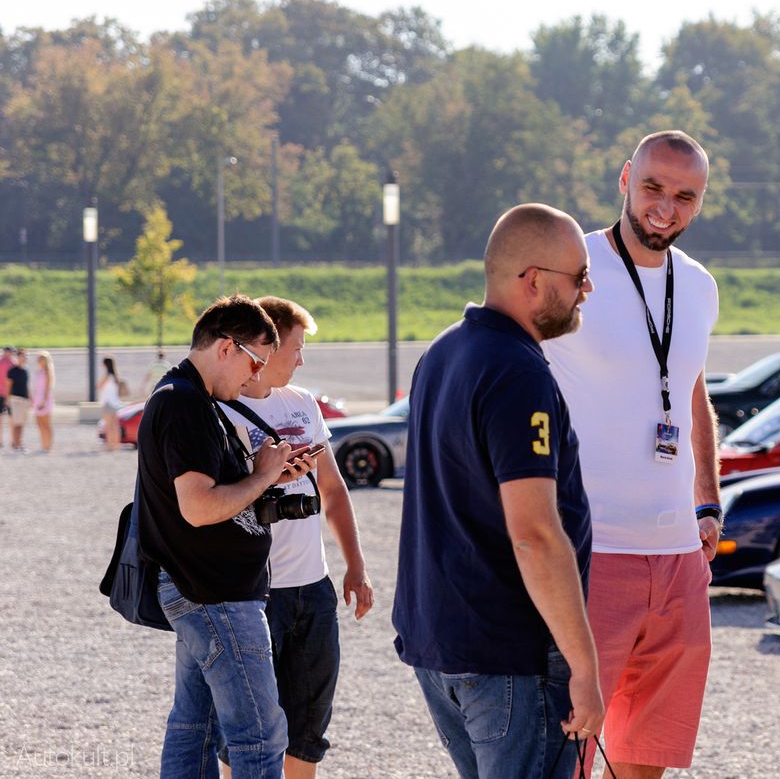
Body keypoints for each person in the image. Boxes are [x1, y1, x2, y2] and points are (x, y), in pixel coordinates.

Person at [393, 204, 602, 779]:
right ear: (533, 280)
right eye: (579, 276)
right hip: (508, 653)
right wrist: (584, 667)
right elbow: (535, 532)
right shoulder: (517, 370)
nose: (588, 290)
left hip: (442, 641)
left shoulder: (443, 351)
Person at [543, 131, 721, 778]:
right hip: (592, 553)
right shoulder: (570, 267)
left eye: (684, 196)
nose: (665, 208)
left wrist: (709, 501)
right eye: (652, 187)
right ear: (625, 179)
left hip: (679, 561)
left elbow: (694, 391)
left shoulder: (700, 286)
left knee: (646, 762)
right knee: (565, 757)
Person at [136, 295, 318, 779]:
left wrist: (268, 477)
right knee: (259, 734)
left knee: (194, 728)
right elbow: (198, 507)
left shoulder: (187, 397)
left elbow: (215, 495)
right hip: (213, 592)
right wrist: (260, 478)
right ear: (225, 347)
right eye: (255, 361)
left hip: (199, 587)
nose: (255, 376)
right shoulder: (186, 403)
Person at [217, 296, 374, 779]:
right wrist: (269, 479)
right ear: (267, 345)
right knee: (243, 732)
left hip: (314, 588)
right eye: (297, 347)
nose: (302, 359)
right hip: (253, 595)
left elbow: (332, 488)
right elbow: (211, 502)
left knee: (309, 729)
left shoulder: (303, 404)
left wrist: (356, 566)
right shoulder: (221, 408)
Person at [6, 347, 30, 452]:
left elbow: (26, 386)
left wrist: (30, 398)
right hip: (15, 400)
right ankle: (16, 445)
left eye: (26, 356)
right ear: (18, 357)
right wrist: (7, 400)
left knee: (22, 423)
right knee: (17, 424)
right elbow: (8, 386)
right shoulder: (12, 371)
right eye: (23, 356)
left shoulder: (26, 371)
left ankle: (19, 443)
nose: (25, 358)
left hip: (24, 400)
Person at [31, 350, 55, 453]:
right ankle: (43, 444)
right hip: (37, 399)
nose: (38, 360)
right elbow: (36, 388)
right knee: (39, 423)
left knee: (46, 423)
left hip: (45, 399)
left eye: (41, 358)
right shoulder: (38, 372)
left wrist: (44, 401)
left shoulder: (47, 372)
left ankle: (48, 445)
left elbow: (47, 388)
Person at [99, 356, 123, 451]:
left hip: (107, 402)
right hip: (115, 402)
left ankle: (110, 444)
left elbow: (99, 386)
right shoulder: (115, 376)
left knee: (108, 425)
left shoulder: (106, 375)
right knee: (115, 425)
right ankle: (116, 444)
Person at [0, 345, 14, 447]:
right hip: (6, 394)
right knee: (10, 418)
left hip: (6, 394)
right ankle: (12, 441)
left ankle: (10, 441)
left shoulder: (12, 363)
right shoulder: (13, 363)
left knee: (9, 419)